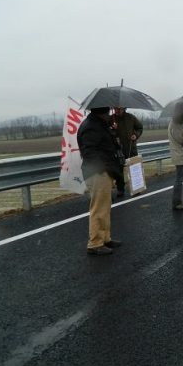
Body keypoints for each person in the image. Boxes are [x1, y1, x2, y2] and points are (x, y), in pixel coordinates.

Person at [77, 106, 124, 256]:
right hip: (98, 172)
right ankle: (95, 243)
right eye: (108, 112)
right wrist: (103, 168)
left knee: (105, 206)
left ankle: (105, 238)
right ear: (102, 113)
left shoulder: (100, 125)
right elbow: (89, 152)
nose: (110, 114)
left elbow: (108, 145)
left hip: (104, 171)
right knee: (98, 208)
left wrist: (113, 131)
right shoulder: (91, 127)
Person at [111, 107, 143, 197]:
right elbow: (107, 132)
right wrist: (113, 128)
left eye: (119, 108)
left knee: (134, 168)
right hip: (118, 149)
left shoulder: (131, 117)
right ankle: (120, 189)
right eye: (115, 108)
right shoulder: (111, 119)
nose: (116, 110)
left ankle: (137, 188)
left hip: (130, 147)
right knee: (119, 170)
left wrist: (135, 135)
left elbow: (140, 127)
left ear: (124, 108)